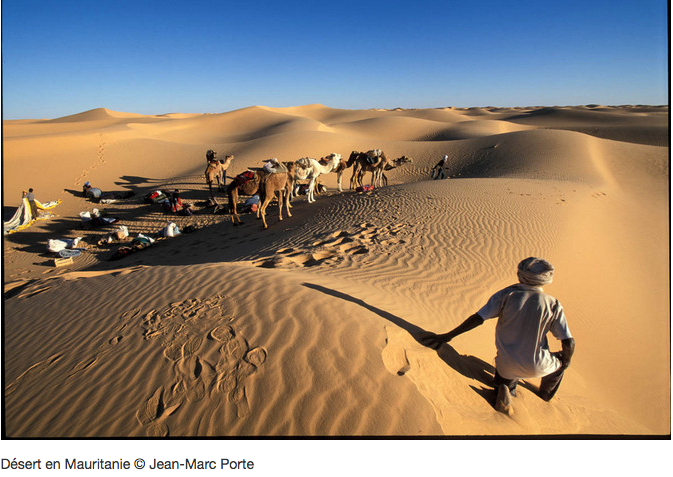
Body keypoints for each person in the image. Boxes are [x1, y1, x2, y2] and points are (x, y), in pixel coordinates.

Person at [421, 257, 575, 415]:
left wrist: (447, 336)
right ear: (545, 279)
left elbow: (478, 318)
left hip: (506, 365)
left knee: (507, 374)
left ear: (520, 274)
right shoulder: (553, 304)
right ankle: (545, 395)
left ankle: (505, 390)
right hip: (540, 366)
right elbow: (569, 343)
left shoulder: (507, 294)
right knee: (561, 362)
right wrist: (566, 361)